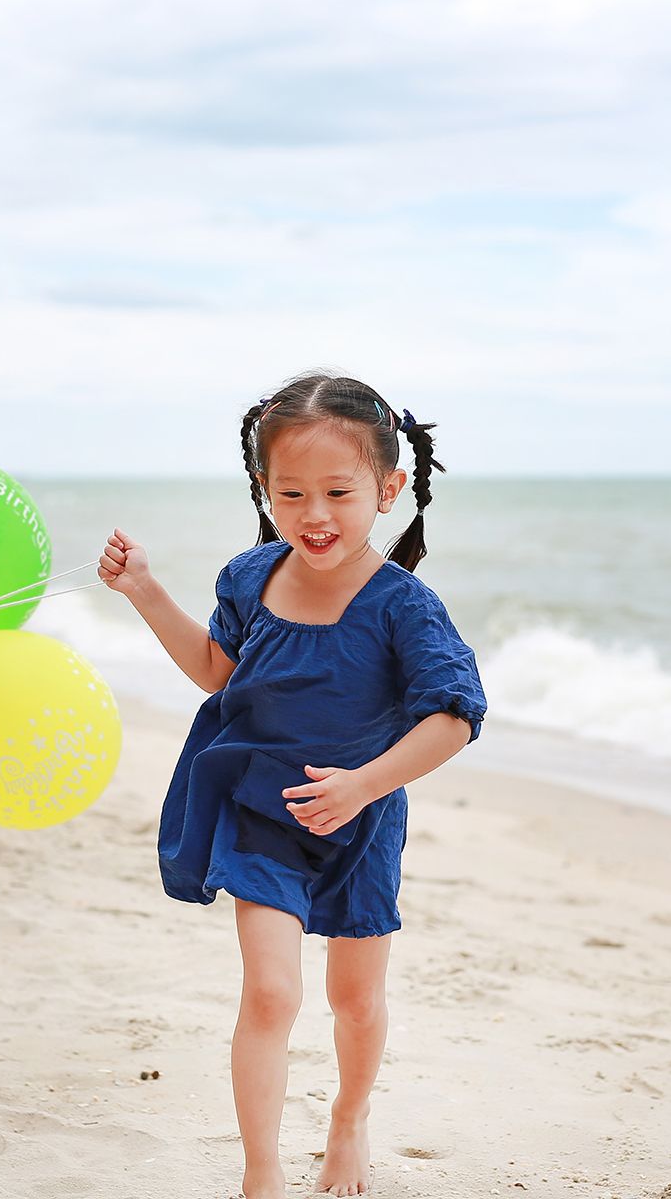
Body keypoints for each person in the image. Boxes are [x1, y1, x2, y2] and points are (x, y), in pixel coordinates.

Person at [97, 374, 485, 1197]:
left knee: (355, 1000)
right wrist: (144, 591)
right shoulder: (249, 577)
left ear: (388, 489)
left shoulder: (404, 609)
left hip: (360, 825)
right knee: (272, 994)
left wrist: (363, 786)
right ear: (263, 489)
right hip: (261, 811)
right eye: (291, 492)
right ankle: (261, 1174)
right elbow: (218, 671)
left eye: (339, 493)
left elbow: (452, 719)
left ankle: (349, 1120)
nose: (314, 515)